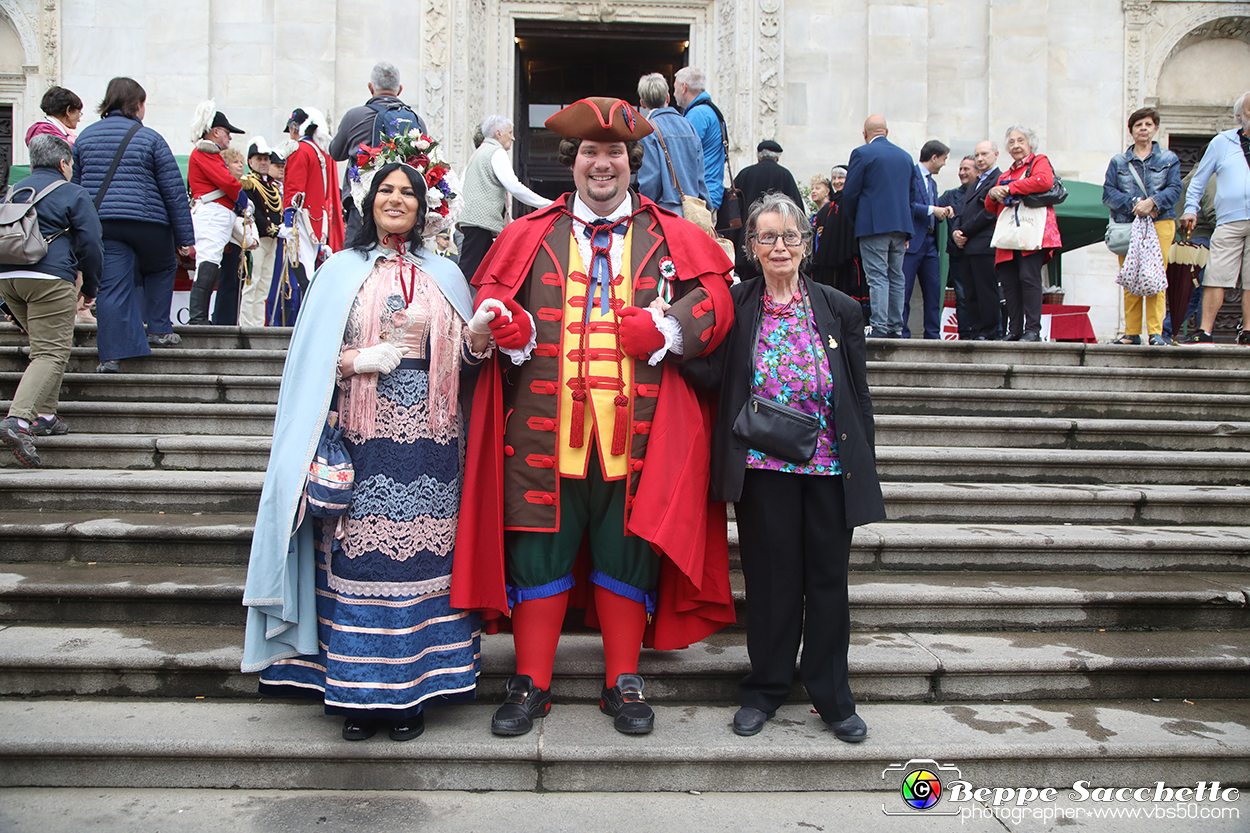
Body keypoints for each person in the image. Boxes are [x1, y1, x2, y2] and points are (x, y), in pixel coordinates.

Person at [450, 96, 737, 738]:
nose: (600, 164)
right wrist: (512, 327)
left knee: (627, 553)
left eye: (613, 153)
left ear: (631, 162)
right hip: (543, 436)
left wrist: (669, 329)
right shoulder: (528, 233)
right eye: (588, 153)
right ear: (571, 163)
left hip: (636, 440)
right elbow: (492, 295)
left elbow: (717, 298)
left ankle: (623, 681)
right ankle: (530, 681)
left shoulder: (670, 232)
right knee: (537, 552)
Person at [242, 162, 490, 742]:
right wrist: (357, 359)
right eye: (387, 191)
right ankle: (358, 694)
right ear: (370, 202)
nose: (398, 200)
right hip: (363, 443)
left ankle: (413, 693)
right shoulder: (338, 271)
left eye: (408, 192)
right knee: (360, 567)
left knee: (426, 569)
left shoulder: (447, 273)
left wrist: (476, 336)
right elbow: (308, 363)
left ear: (424, 205)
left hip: (434, 448)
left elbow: (472, 368)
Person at [681, 193, 884, 743]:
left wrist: (862, 463)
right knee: (770, 584)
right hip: (762, 466)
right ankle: (766, 690)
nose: (779, 247)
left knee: (826, 582)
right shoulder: (737, 303)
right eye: (766, 237)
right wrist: (668, 343)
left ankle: (833, 697)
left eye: (789, 236)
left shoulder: (839, 307)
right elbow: (711, 371)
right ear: (749, 247)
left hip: (828, 466)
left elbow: (857, 394)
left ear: (806, 244)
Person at [73, 77, 194, 371]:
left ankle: (112, 356)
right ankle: (159, 329)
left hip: (104, 223)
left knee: (112, 286)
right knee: (162, 267)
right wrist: (185, 237)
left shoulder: (85, 137)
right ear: (137, 105)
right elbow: (173, 190)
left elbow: (75, 187)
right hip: (149, 222)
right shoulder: (150, 138)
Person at [0, 134, 103, 468]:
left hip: (8, 280)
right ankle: (18, 420)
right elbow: (90, 242)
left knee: (44, 348)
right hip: (49, 277)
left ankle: (46, 415)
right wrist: (91, 284)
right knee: (51, 351)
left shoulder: (14, 191)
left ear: (32, 163)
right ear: (63, 163)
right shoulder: (73, 192)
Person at [1102, 106, 1182, 346]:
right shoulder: (1119, 161)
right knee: (1130, 277)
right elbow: (1108, 194)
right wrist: (1136, 203)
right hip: (1129, 224)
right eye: (1138, 125)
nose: (1143, 129)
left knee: (1156, 276)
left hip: (1161, 223)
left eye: (1148, 124)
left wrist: (1153, 202)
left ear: (1155, 128)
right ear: (1131, 131)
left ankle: (1156, 333)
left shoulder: (1169, 159)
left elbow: (1175, 189)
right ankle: (1131, 332)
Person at [1178, 92, 1250, 345]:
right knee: (1215, 276)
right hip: (1228, 220)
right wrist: (1190, 208)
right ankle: (1205, 331)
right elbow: (1198, 179)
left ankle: (1248, 332)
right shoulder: (1222, 142)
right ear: (1239, 115)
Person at [329, 61, 427, 242]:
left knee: (356, 262)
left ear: (370, 87)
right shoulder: (416, 120)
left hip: (360, 205)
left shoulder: (355, 116)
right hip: (400, 209)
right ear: (400, 90)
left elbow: (335, 153)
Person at [841, 115, 920, 338]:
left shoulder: (862, 153)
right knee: (896, 276)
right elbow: (911, 197)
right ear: (887, 132)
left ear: (865, 133)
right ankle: (896, 326)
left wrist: (855, 219)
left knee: (877, 277)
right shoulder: (905, 157)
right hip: (900, 226)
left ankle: (879, 326)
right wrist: (908, 230)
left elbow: (850, 193)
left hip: (873, 225)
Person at [985, 124, 1062, 342]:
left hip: (1031, 232)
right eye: (1011, 141)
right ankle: (1014, 329)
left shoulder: (1039, 161)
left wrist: (1010, 188)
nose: (1016, 145)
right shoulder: (1006, 173)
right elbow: (991, 208)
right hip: (1009, 236)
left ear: (1030, 144)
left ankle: (1032, 330)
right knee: (1009, 282)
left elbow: (1044, 180)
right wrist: (993, 193)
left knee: (1029, 279)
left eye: (1021, 141)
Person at [456, 115, 552, 282]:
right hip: (481, 222)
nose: (513, 137)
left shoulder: (477, 153)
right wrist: (547, 204)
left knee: (484, 273)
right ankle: (452, 305)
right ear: (498, 133)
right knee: (468, 272)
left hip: (477, 222)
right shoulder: (496, 151)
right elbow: (514, 187)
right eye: (510, 132)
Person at [275, 107, 345, 323]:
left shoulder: (300, 149)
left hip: (302, 218)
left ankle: (309, 316)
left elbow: (294, 189)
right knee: (310, 266)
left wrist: (289, 219)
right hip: (319, 219)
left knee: (300, 266)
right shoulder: (320, 152)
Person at [187, 101, 247, 325]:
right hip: (212, 213)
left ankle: (200, 316)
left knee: (211, 263)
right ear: (216, 132)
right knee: (208, 262)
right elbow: (228, 183)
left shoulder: (209, 153)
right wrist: (243, 200)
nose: (229, 137)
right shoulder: (206, 151)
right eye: (227, 132)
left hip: (217, 213)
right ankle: (197, 317)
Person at [635, 72, 710, 218]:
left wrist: (644, 212)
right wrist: (707, 206)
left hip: (664, 213)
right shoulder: (689, 126)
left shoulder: (647, 131)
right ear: (668, 98)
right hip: (692, 212)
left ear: (642, 103)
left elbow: (650, 181)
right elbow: (700, 173)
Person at [902, 140, 954, 339]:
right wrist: (934, 210)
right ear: (934, 157)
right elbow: (908, 204)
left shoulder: (932, 182)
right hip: (912, 241)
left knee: (934, 291)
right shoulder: (911, 175)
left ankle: (933, 333)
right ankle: (903, 333)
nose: (944, 164)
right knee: (905, 291)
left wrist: (942, 211)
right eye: (944, 159)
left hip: (930, 244)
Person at [732, 141, 804, 281]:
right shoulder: (785, 175)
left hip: (747, 246)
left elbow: (733, 209)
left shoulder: (745, 174)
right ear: (777, 158)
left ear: (758, 157)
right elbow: (798, 213)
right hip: (778, 250)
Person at [953, 142, 1003, 340]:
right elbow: (962, 210)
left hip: (984, 244)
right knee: (970, 292)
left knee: (986, 291)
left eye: (984, 154)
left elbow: (989, 212)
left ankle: (988, 332)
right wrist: (956, 230)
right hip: (968, 246)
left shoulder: (999, 179)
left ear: (995, 155)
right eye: (977, 155)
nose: (980, 158)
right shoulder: (975, 183)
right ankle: (977, 330)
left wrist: (964, 230)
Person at [239, 138, 283, 327]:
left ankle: (258, 324)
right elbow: (253, 211)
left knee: (264, 284)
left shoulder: (272, 186)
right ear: (251, 162)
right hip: (257, 238)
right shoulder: (248, 183)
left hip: (272, 240)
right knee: (252, 283)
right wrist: (271, 228)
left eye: (266, 159)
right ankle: (247, 324)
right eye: (259, 159)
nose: (264, 162)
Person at [810, 166, 866, 315]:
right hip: (833, 256)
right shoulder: (832, 204)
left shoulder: (853, 201)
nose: (837, 181)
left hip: (850, 254)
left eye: (840, 177)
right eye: (834, 178)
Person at [674, 67, 726, 214]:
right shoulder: (709, 110)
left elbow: (682, 156)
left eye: (675, 87)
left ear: (684, 87)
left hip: (699, 199)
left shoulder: (697, 114)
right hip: (709, 194)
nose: (673, 93)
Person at [940, 156, 976, 339]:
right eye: (960, 168)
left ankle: (984, 332)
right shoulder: (951, 195)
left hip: (978, 253)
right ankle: (965, 334)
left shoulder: (983, 192)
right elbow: (934, 208)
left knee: (982, 294)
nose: (962, 173)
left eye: (966, 169)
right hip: (958, 256)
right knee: (962, 298)